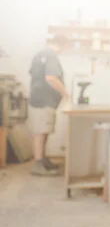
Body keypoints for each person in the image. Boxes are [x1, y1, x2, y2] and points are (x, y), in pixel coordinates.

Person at [28, 34, 70, 176]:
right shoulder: (50, 55)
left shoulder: (41, 54)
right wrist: (65, 93)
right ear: (62, 45)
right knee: (41, 131)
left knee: (43, 130)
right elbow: (51, 78)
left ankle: (42, 160)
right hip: (43, 100)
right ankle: (38, 164)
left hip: (40, 98)